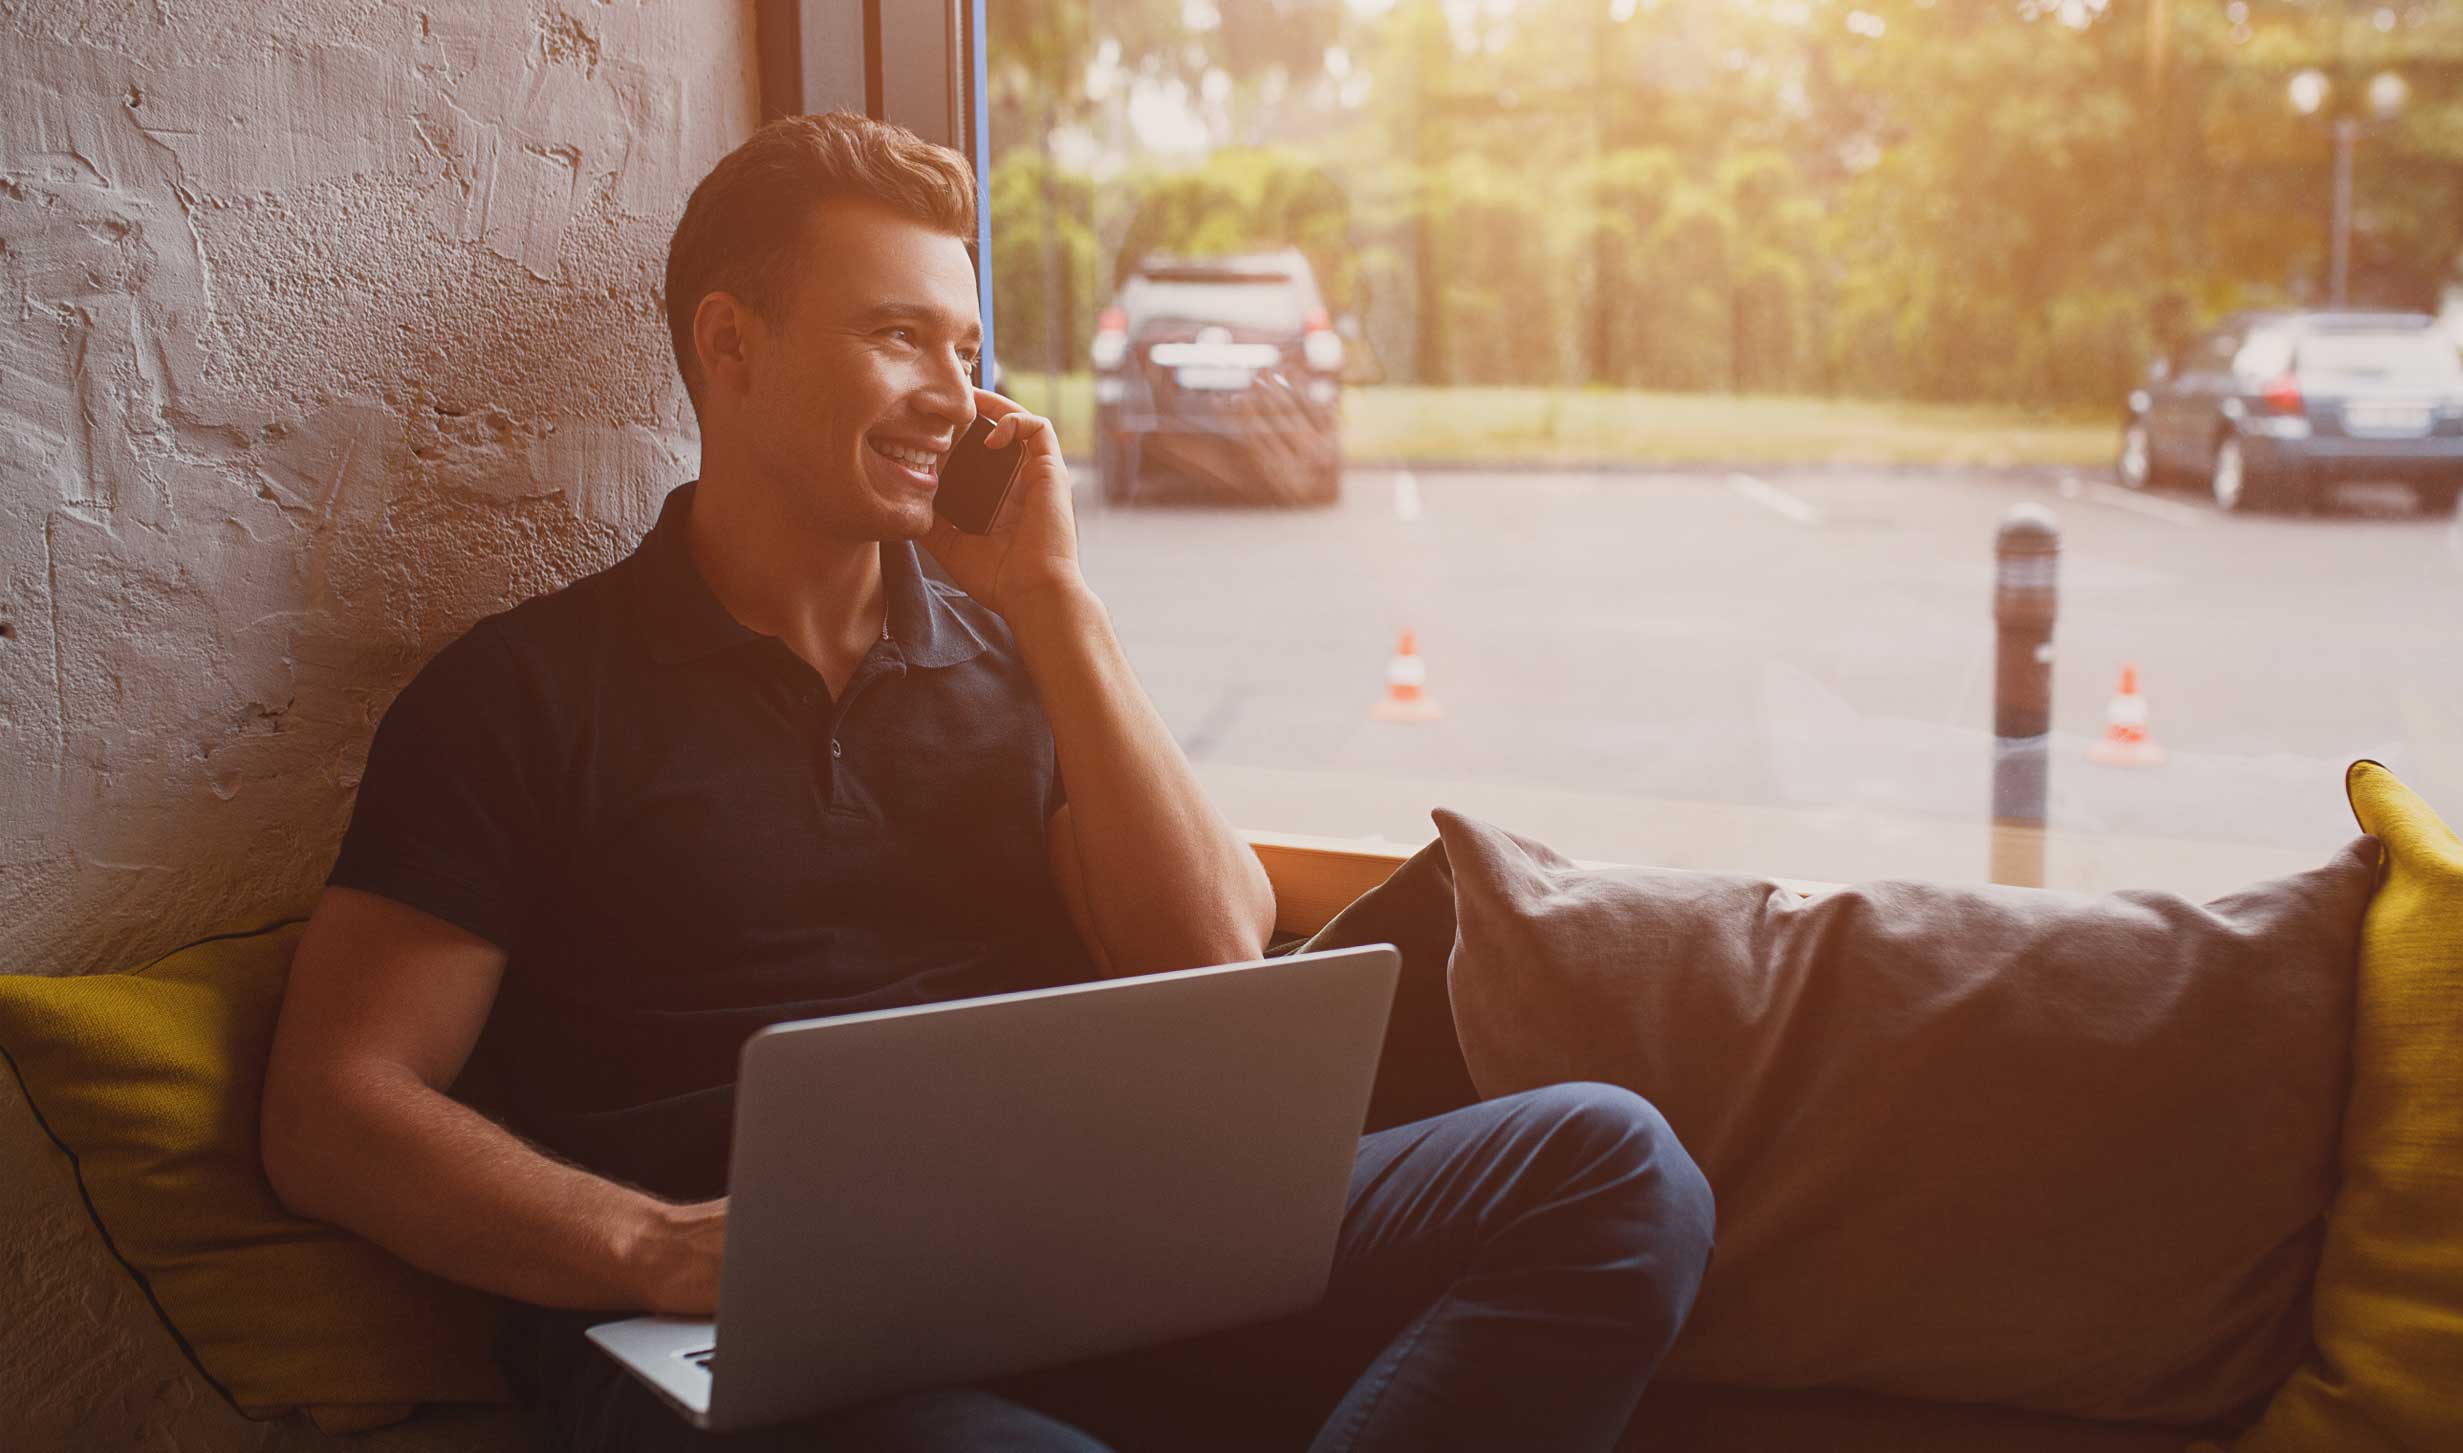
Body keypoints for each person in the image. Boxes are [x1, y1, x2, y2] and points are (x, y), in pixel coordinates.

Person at [257, 112, 1713, 1452]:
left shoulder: (1015, 656)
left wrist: (1056, 604)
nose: (954, 399)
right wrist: (655, 1245)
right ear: (730, 345)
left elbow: (1212, 957)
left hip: (1067, 1244)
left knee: (1615, 1168)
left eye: (966, 349)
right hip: (739, 1327)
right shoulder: (519, 698)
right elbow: (335, 1105)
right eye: (900, 337)